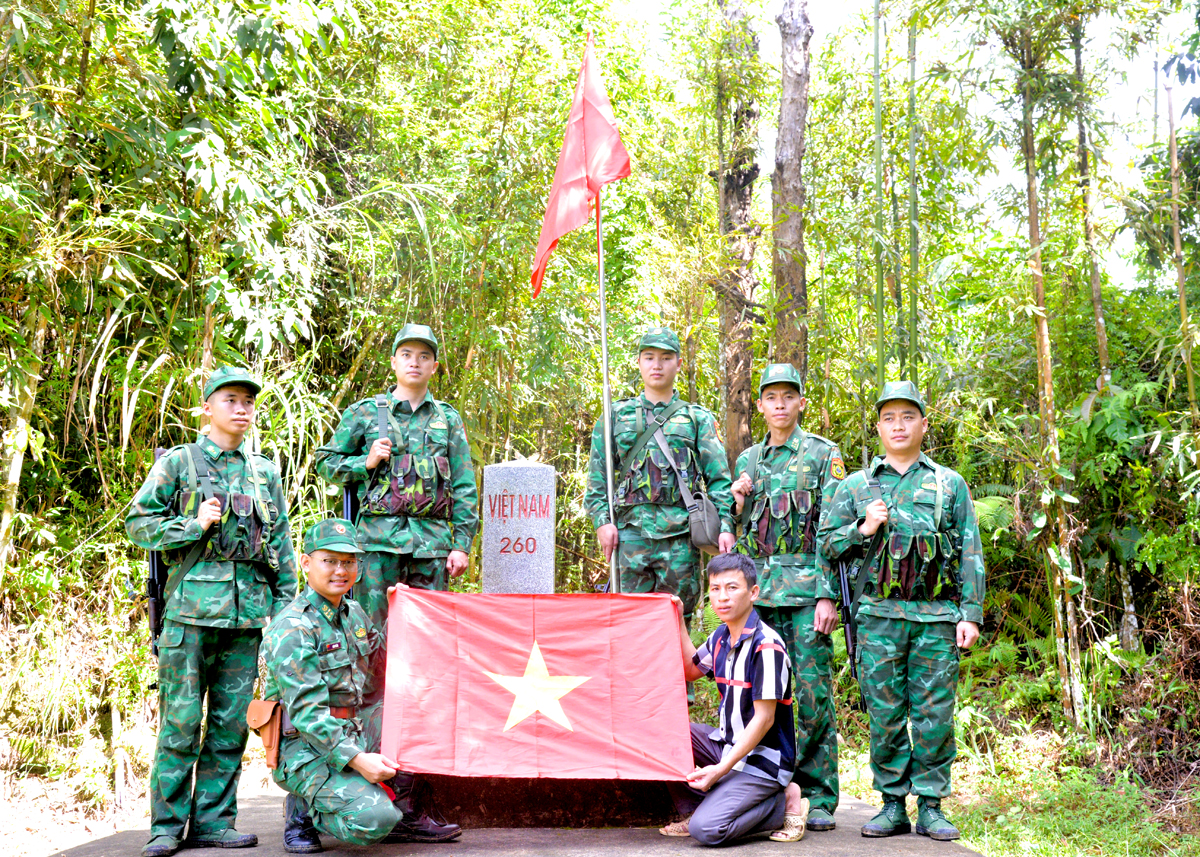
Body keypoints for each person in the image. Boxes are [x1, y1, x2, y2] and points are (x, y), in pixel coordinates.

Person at [127, 367, 298, 857]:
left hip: (246, 622)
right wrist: (190, 524)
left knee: (229, 729)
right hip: (189, 617)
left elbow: (282, 545)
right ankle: (165, 827)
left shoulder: (264, 472)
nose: (241, 408)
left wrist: (284, 613)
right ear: (207, 407)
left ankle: (213, 823)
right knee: (180, 726)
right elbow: (139, 524)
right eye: (230, 399)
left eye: (248, 401)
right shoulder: (179, 463)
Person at [817, 380, 985, 841]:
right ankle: (892, 804)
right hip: (878, 616)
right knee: (886, 713)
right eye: (889, 418)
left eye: (908, 417)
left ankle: (931, 806)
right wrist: (862, 527)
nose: (898, 425)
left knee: (935, 714)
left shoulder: (948, 483)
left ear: (924, 425)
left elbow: (969, 550)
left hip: (935, 617)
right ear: (877, 427)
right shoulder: (856, 486)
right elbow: (827, 546)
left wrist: (969, 613)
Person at [262, 519, 460, 851]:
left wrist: (399, 608)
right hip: (302, 745)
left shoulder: (352, 613)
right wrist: (358, 759)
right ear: (306, 563)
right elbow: (309, 716)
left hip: (350, 727)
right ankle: (306, 812)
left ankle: (405, 812)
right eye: (330, 561)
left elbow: (384, 666)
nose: (341, 570)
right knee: (374, 821)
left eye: (349, 562)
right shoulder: (293, 628)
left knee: (419, 712)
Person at [729, 362, 845, 832]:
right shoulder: (748, 462)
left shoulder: (822, 454)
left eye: (788, 396)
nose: (779, 404)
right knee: (763, 697)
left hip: (804, 595)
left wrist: (827, 596)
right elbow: (732, 535)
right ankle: (772, 787)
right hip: (760, 600)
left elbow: (834, 532)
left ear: (800, 402)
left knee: (814, 695)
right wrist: (735, 504)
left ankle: (818, 795)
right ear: (760, 405)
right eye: (771, 397)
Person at [314, 323, 479, 635]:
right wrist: (366, 461)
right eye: (406, 354)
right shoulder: (365, 413)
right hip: (378, 547)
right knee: (371, 634)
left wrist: (461, 546)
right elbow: (324, 462)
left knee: (429, 636)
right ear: (393, 362)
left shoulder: (448, 419)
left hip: (432, 549)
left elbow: (463, 485)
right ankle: (373, 688)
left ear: (434, 367)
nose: (414, 362)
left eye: (423, 356)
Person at [583, 325, 736, 632]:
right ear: (638, 362)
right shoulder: (614, 417)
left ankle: (679, 684)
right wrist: (602, 522)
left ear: (679, 363)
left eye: (666, 358)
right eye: (649, 357)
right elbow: (597, 481)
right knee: (627, 628)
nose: (657, 365)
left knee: (676, 628)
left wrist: (726, 527)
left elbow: (719, 479)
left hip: (681, 540)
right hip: (630, 538)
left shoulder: (696, 418)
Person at [661, 553, 809, 844]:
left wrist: (720, 769)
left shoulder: (766, 646)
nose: (722, 597)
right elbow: (692, 669)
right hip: (727, 746)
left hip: (763, 762)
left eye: (732, 588)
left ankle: (785, 801)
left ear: (753, 592)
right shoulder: (720, 637)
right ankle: (697, 809)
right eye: (715, 589)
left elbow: (765, 719)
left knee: (707, 830)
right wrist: (677, 620)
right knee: (666, 732)